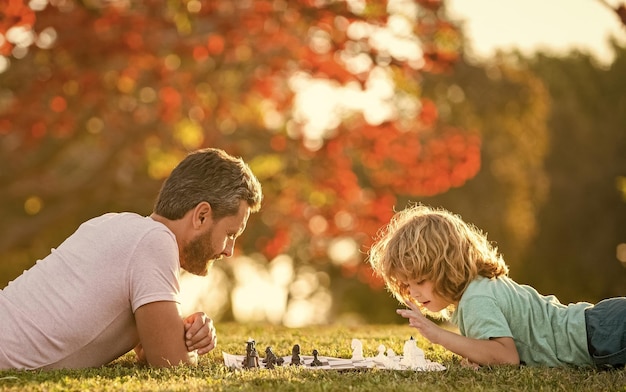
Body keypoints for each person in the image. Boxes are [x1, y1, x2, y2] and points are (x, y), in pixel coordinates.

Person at [0, 148, 263, 370]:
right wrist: (186, 347)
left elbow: (148, 347)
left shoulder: (115, 225)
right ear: (202, 215)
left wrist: (182, 329)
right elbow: (171, 363)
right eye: (230, 234)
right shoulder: (154, 242)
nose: (229, 250)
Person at [368, 204, 626, 368]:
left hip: (602, 335)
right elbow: (493, 349)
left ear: (446, 267)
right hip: (601, 327)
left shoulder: (476, 299)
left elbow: (505, 357)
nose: (412, 292)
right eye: (407, 284)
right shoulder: (478, 289)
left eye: (420, 280)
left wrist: (437, 335)